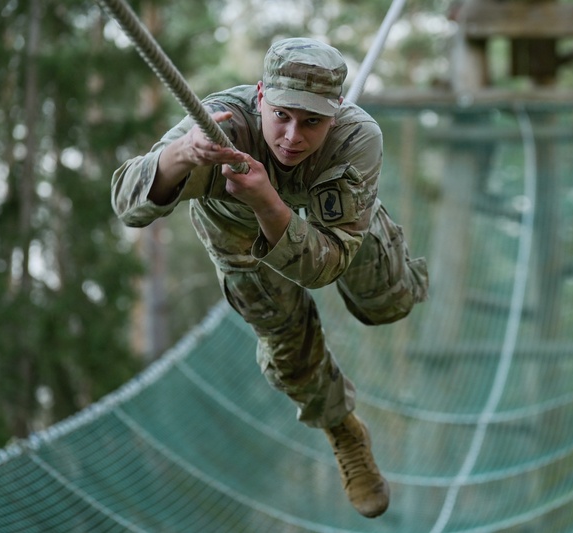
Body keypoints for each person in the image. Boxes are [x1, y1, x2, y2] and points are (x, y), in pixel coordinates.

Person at [111, 37, 428, 519]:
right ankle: (342, 428)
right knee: (289, 350)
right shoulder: (218, 127)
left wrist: (268, 202)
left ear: (336, 115)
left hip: (333, 232)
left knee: (388, 304)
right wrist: (181, 156)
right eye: (281, 115)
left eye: (312, 122)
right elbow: (126, 205)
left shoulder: (355, 139)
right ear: (260, 96)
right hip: (240, 243)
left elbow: (325, 265)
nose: (292, 137)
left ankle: (404, 271)